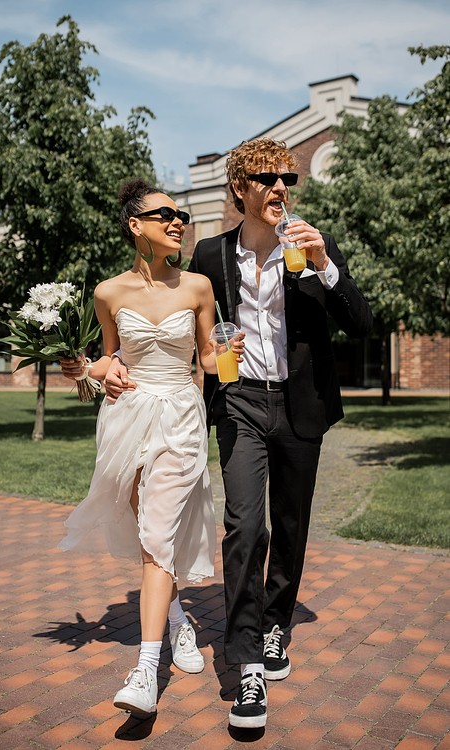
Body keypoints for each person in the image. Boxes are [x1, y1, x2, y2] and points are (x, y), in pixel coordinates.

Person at [105, 138, 373, 729]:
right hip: (240, 401)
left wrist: (326, 265)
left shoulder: (308, 246)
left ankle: (276, 625)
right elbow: (167, 317)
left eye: (288, 179)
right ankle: (247, 658)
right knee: (246, 524)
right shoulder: (210, 254)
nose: (281, 188)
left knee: (292, 527)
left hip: (300, 405)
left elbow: (361, 322)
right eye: (268, 179)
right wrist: (110, 362)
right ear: (240, 190)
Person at [58, 178, 245, 716]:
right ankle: (179, 617)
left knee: (158, 530)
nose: (176, 221)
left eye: (180, 213)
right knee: (149, 532)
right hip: (127, 421)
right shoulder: (108, 293)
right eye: (163, 214)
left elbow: (208, 363)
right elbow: (106, 365)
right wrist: (85, 368)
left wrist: (227, 352)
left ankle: (145, 670)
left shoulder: (199, 287)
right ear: (135, 227)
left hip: (182, 415)